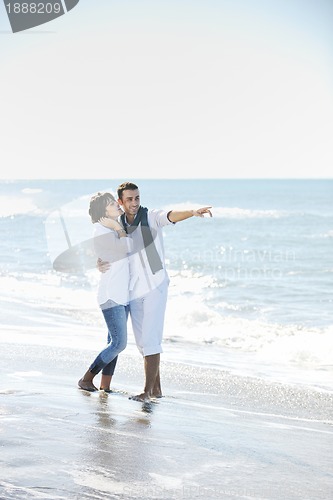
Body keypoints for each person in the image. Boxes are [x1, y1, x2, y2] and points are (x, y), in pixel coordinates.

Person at [98, 181, 212, 402]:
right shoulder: (118, 225)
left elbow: (170, 216)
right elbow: (110, 253)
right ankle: (157, 389)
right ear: (120, 202)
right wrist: (100, 263)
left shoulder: (150, 217)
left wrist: (192, 212)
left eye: (137, 198)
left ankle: (147, 392)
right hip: (133, 289)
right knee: (142, 342)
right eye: (129, 199)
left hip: (155, 287)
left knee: (150, 339)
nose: (134, 202)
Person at [78, 192, 132, 393]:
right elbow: (126, 250)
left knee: (112, 343)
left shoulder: (111, 228)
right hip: (111, 295)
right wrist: (118, 228)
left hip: (122, 295)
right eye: (111, 203)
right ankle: (86, 378)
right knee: (119, 344)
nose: (116, 205)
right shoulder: (102, 229)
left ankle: (105, 386)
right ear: (103, 211)